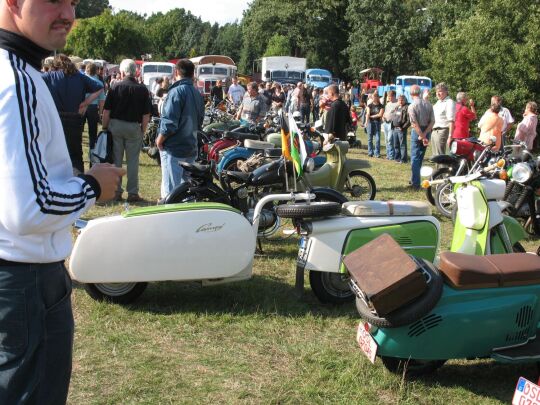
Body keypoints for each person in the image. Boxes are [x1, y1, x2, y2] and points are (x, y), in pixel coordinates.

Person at [0, 1, 125, 403]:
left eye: (71, 2)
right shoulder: (16, 79)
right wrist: (93, 184)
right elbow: (29, 208)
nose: (68, 14)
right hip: (25, 279)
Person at [42, 54, 104, 174]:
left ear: (54, 65)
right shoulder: (79, 77)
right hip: (74, 119)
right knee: (75, 154)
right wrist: (85, 103)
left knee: (54, 154)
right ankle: (79, 182)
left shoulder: (49, 76)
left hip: (56, 119)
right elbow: (100, 87)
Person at [102, 59, 152, 202]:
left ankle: (116, 192)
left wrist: (105, 128)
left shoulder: (115, 87)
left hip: (116, 126)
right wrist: (143, 130)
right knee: (133, 161)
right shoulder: (142, 89)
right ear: (136, 72)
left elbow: (106, 112)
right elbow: (146, 115)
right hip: (133, 127)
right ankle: (132, 193)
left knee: (116, 160)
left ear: (122, 72)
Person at [156, 59, 205, 199]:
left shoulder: (176, 92)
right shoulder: (197, 93)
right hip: (191, 145)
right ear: (192, 74)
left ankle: (169, 216)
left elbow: (170, 122)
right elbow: (200, 120)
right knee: (187, 189)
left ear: (176, 72)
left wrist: (160, 140)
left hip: (174, 147)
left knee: (171, 190)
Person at [408, 84, 435, 189]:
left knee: (415, 158)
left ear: (411, 94)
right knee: (420, 157)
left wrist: (421, 135)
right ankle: (414, 179)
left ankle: (415, 183)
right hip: (426, 130)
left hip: (417, 132)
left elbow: (414, 123)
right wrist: (425, 135)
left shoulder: (412, 106)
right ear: (419, 93)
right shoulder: (428, 104)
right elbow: (432, 121)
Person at [83, 62, 106, 154]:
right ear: (96, 71)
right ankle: (92, 153)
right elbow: (101, 101)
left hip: (82, 107)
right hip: (93, 108)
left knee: (78, 131)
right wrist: (100, 113)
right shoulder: (99, 83)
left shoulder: (82, 80)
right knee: (92, 133)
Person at [431, 83, 455, 158]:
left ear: (446, 92)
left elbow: (451, 121)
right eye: (436, 91)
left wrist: (450, 136)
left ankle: (442, 169)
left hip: (442, 130)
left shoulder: (449, 102)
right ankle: (438, 169)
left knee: (440, 156)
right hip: (434, 131)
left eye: (440, 91)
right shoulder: (437, 103)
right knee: (435, 156)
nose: (438, 93)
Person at [391, 95, 410, 163]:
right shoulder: (397, 107)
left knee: (402, 145)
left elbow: (408, 120)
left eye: (402, 100)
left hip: (401, 129)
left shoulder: (407, 108)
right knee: (396, 144)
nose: (400, 101)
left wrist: (403, 127)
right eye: (399, 100)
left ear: (405, 100)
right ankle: (397, 158)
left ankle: (403, 159)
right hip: (394, 129)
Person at [365, 92, 384, 157]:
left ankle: (377, 153)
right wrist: (366, 122)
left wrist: (372, 116)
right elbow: (367, 114)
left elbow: (380, 114)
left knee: (377, 139)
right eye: (372, 97)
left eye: (373, 97)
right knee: (370, 139)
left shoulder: (381, 106)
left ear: (377, 97)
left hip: (377, 123)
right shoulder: (369, 105)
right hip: (370, 123)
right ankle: (370, 152)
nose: (372, 98)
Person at [383, 90, 398, 160]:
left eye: (390, 96)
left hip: (391, 124)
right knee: (386, 139)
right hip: (385, 123)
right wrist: (383, 116)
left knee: (390, 139)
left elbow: (397, 114)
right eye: (388, 96)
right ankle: (388, 154)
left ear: (394, 96)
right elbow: (385, 112)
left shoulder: (397, 104)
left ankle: (392, 155)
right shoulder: (388, 104)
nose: (389, 98)